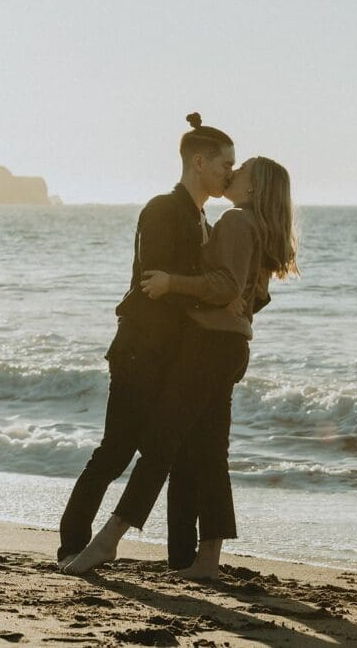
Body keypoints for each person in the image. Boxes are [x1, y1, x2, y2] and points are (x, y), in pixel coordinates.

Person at [64, 156, 299, 578]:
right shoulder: (258, 228)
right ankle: (207, 560)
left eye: (238, 170)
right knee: (211, 454)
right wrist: (236, 321)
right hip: (231, 348)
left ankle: (107, 542)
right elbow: (254, 295)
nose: (231, 174)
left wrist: (174, 283)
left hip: (208, 349)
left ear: (254, 188)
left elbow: (226, 284)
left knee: (159, 446)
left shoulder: (235, 222)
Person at [56, 113, 236, 568]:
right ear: (199, 162)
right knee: (115, 452)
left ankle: (181, 557)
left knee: (178, 455)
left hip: (173, 358)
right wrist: (202, 290)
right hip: (140, 352)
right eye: (224, 164)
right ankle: (73, 544)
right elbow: (153, 283)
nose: (229, 174)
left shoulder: (204, 221)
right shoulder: (162, 209)